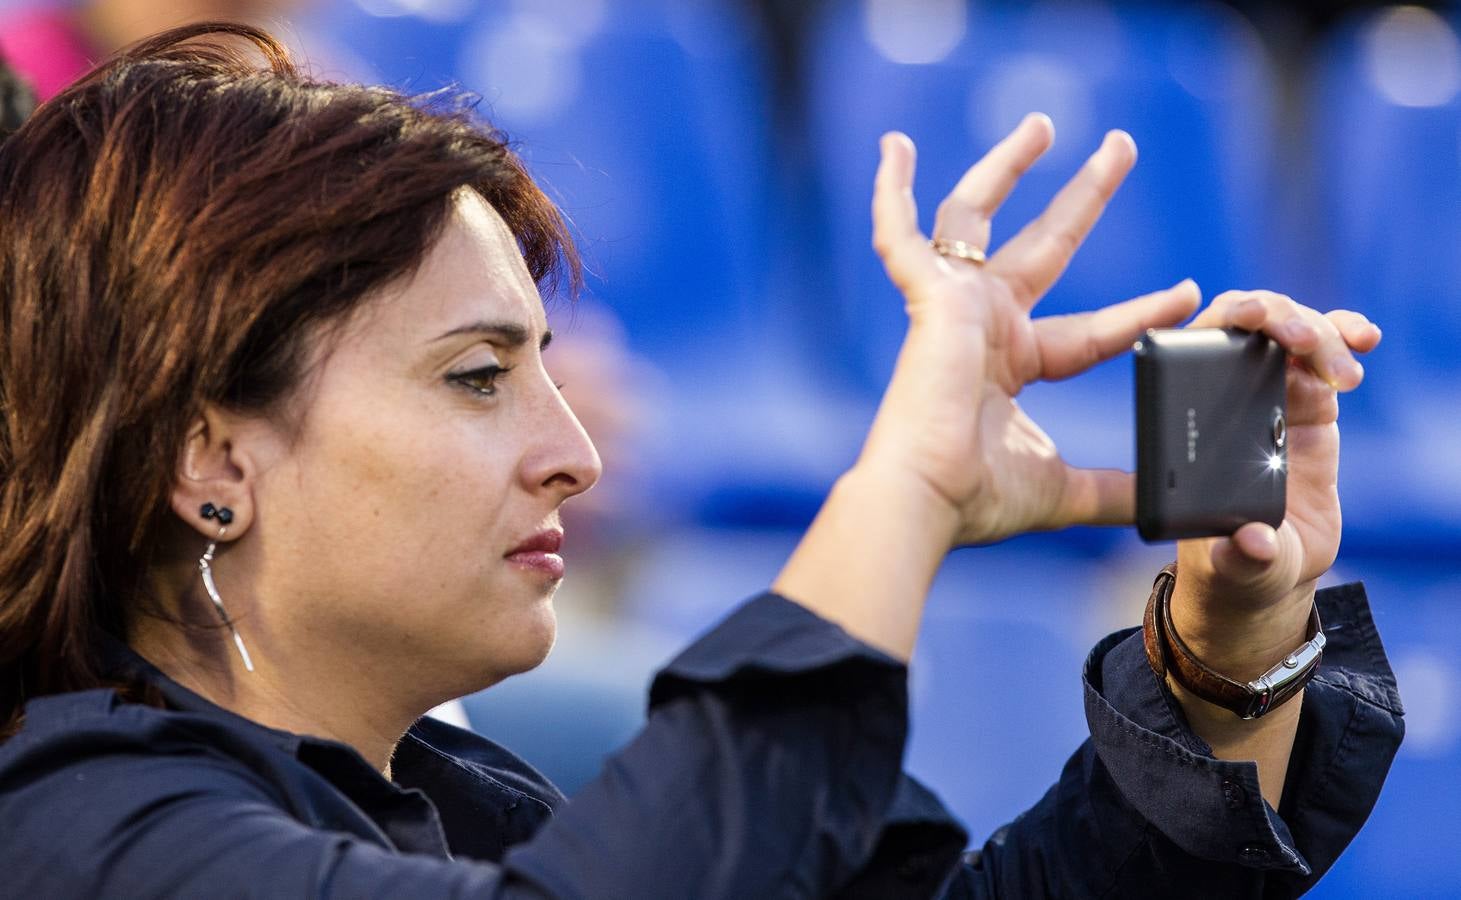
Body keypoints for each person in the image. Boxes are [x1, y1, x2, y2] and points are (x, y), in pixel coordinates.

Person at [0, 23, 1400, 898]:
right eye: (478, 377)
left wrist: (1226, 636)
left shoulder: (469, 804)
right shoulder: (82, 830)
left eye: (550, 369)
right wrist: (900, 490)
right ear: (208, 462)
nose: (568, 455)